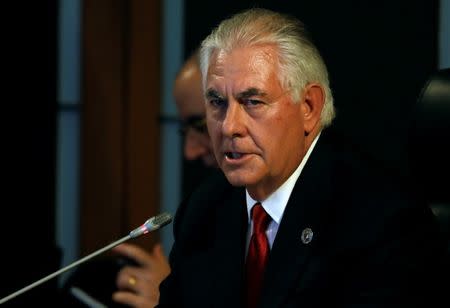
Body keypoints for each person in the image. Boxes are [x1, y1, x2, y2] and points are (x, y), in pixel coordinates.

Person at [157, 8, 445, 307]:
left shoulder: (381, 220)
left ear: (309, 106)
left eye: (252, 102)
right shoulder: (205, 209)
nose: (229, 126)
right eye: (217, 103)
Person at [111, 50, 216, 307]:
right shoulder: (209, 208)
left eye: (200, 126)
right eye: (185, 130)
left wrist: (171, 299)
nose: (190, 152)